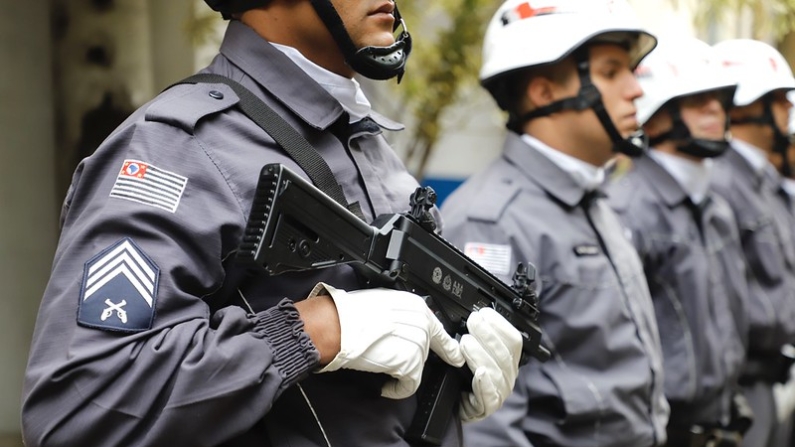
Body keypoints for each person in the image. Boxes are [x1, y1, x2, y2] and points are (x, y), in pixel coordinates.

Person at [20, 1, 523, 446]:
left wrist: (452, 376)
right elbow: (78, 410)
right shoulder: (177, 149)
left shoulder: (374, 152)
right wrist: (316, 331)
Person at [440, 0, 669, 446]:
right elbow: (487, 426)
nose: (636, 89)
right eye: (610, 72)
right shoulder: (491, 223)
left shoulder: (592, 201)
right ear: (544, 93)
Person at [604, 36, 752, 446]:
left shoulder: (715, 208)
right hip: (665, 432)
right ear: (656, 111)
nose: (716, 111)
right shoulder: (629, 208)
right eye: (698, 100)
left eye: (720, 100)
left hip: (721, 422)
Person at [710, 38, 795, 447]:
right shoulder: (722, 180)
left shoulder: (759, 182)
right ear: (745, 104)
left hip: (771, 374)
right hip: (742, 381)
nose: (789, 108)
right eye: (778, 99)